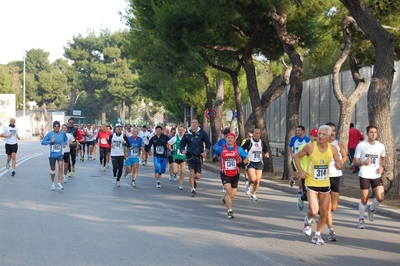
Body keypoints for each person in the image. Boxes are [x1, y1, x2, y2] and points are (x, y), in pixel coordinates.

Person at [294, 125, 343, 246]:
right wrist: (300, 171)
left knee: (325, 211)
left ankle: (317, 235)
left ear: (329, 136)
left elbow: (338, 160)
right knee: (315, 210)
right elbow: (296, 156)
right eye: (319, 134)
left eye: (323, 134)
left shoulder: (332, 149)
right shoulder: (310, 147)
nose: (320, 136)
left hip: (325, 184)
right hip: (311, 183)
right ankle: (308, 219)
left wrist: (339, 164)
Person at [353, 125, 386, 229]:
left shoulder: (380, 146)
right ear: (367, 133)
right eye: (371, 132)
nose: (373, 134)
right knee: (364, 198)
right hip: (364, 174)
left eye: (375, 132)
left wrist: (382, 167)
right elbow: (355, 161)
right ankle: (361, 220)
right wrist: (363, 162)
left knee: (380, 197)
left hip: (376, 174)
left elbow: (383, 158)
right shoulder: (361, 145)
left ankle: (371, 209)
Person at [214, 132, 249, 219]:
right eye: (228, 138)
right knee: (228, 191)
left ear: (234, 140)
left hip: (235, 174)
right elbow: (216, 153)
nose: (229, 139)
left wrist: (242, 163)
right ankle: (229, 211)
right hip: (225, 173)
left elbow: (247, 158)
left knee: (232, 195)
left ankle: (225, 197)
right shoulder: (221, 148)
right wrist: (215, 158)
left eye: (231, 138)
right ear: (225, 139)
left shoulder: (238, 149)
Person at [325, 122, 348, 241]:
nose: (332, 133)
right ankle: (331, 230)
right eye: (330, 131)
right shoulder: (320, 145)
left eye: (334, 130)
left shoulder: (338, 143)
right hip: (324, 178)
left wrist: (341, 162)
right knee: (328, 207)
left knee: (334, 207)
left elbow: (344, 156)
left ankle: (323, 211)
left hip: (336, 175)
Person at [179, 119, 211, 197]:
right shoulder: (187, 134)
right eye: (193, 122)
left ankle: (194, 180)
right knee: (191, 172)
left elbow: (208, 143)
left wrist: (205, 152)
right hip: (190, 156)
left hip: (198, 156)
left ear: (198, 124)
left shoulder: (202, 133)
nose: (194, 124)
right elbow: (182, 144)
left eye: (196, 123)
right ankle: (193, 189)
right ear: (191, 124)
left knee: (197, 176)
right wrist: (182, 150)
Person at [241, 128, 269, 201]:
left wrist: (266, 154)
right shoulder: (249, 142)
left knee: (258, 180)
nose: (258, 135)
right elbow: (241, 150)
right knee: (253, 179)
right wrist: (245, 157)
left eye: (259, 133)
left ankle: (253, 194)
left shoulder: (262, 142)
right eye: (256, 133)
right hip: (250, 162)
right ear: (253, 134)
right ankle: (249, 185)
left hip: (259, 162)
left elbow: (266, 151)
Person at [296, 128, 319, 211]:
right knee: (308, 196)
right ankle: (302, 198)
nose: (316, 138)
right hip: (306, 175)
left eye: (317, 136)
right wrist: (300, 171)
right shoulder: (304, 147)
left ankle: (311, 213)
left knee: (316, 196)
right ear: (310, 136)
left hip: (317, 175)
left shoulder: (321, 148)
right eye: (314, 136)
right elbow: (296, 158)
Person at [41, 121, 68, 191]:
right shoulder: (50, 134)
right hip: (52, 154)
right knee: (53, 169)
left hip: (60, 153)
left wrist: (64, 144)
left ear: (59, 127)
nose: (56, 128)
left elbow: (66, 139)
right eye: (55, 127)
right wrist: (50, 142)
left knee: (60, 166)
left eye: (58, 126)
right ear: (53, 127)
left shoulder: (62, 133)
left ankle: (59, 183)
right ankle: (53, 183)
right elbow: (43, 142)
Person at [288, 125, 311, 193]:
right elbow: (289, 147)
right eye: (297, 130)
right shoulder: (294, 139)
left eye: (299, 130)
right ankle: (293, 178)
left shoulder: (307, 140)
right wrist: (292, 153)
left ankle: (300, 190)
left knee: (302, 176)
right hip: (295, 160)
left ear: (303, 131)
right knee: (297, 177)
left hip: (304, 161)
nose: (297, 132)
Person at [167, 125, 187, 190]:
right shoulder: (175, 138)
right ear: (178, 131)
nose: (181, 131)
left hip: (183, 157)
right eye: (179, 130)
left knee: (183, 171)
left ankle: (180, 184)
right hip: (176, 157)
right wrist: (171, 150)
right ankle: (174, 174)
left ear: (184, 131)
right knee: (175, 171)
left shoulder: (187, 138)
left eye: (182, 130)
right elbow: (168, 144)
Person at [212, 127, 230, 193]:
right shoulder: (221, 141)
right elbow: (214, 147)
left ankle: (228, 184)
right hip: (223, 159)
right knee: (224, 172)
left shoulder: (232, 141)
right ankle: (224, 185)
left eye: (227, 135)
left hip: (231, 159)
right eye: (225, 135)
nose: (226, 136)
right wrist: (220, 150)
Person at [241, 131, 253, 195]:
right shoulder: (245, 141)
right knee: (247, 169)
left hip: (252, 158)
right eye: (249, 136)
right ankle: (246, 180)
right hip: (245, 156)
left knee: (250, 170)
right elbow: (242, 148)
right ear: (247, 136)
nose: (250, 137)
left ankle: (250, 181)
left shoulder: (254, 141)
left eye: (252, 136)